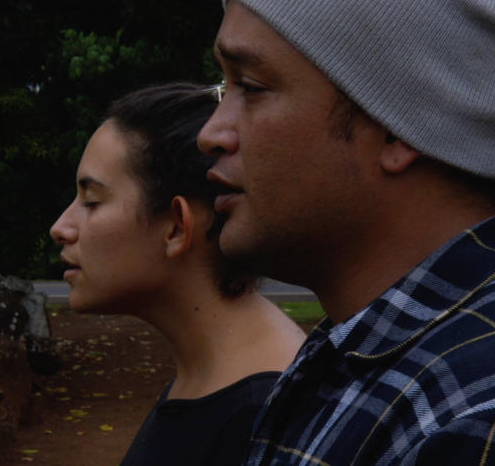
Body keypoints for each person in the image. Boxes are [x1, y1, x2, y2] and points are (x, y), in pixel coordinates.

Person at [196, 0, 495, 464]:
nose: (212, 133)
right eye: (223, 89)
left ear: (399, 128)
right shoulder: (380, 354)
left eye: (250, 87)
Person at [50, 83, 307, 465]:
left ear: (176, 228)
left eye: (91, 201)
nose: (61, 227)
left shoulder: (259, 419)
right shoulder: (211, 382)